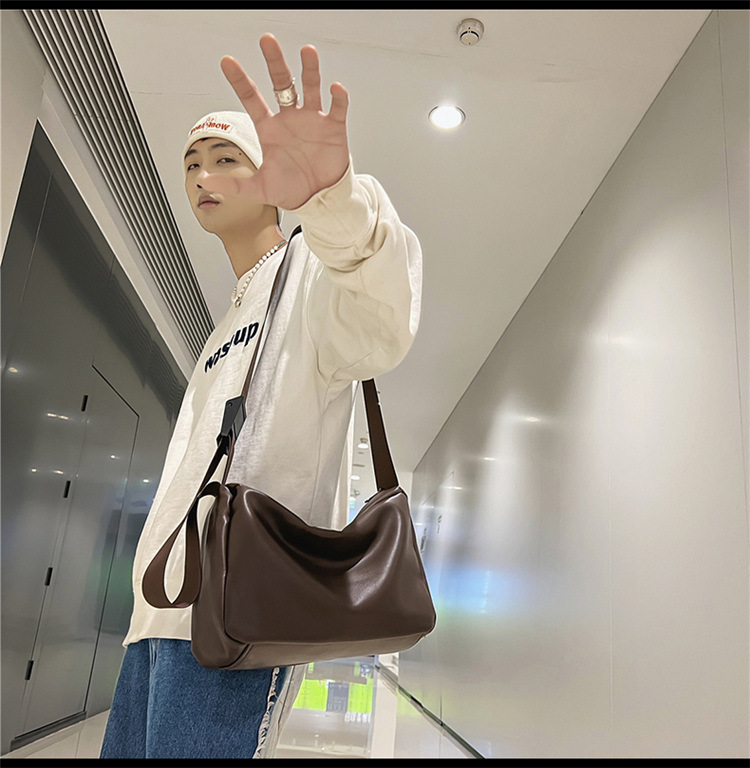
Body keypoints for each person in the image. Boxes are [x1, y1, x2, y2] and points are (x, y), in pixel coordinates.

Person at [99, 33, 422, 760]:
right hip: (157, 616)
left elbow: (380, 312)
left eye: (226, 159)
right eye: (192, 164)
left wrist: (331, 200)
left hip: (236, 613)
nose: (202, 177)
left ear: (270, 177)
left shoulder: (311, 272)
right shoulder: (225, 319)